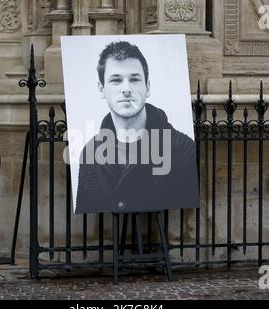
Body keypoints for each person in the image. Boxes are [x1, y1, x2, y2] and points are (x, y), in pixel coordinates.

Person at [75, 41, 199, 214]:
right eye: (116, 80)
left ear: (147, 87)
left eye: (134, 80)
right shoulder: (90, 153)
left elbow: (188, 217)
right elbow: (87, 218)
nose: (126, 89)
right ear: (102, 89)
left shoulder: (183, 149)